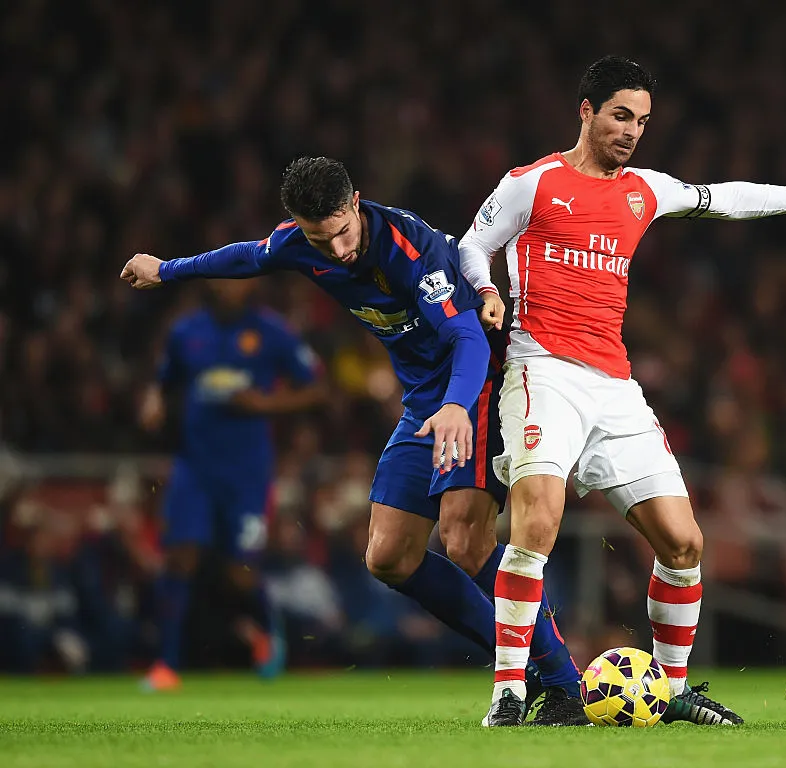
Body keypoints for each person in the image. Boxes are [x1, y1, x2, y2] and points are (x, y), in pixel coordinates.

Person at [459, 55, 786, 726]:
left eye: (643, 121)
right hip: (540, 370)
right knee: (537, 522)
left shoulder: (646, 190)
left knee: (685, 544)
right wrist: (486, 291)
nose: (632, 131)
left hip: (615, 385)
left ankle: (675, 688)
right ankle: (509, 694)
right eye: (621, 115)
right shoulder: (531, 184)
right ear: (587, 111)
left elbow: (730, 197)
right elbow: (469, 246)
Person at [120, 157, 586, 724]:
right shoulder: (300, 243)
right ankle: (527, 664)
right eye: (320, 238)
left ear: (357, 202)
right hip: (424, 404)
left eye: (342, 231)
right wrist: (167, 270)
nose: (337, 249)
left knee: (464, 542)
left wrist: (457, 407)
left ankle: (564, 683)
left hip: (477, 386)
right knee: (389, 557)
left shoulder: (410, 250)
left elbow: (467, 335)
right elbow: (247, 257)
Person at [138, 279, 327, 690]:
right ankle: (166, 664)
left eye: (236, 278)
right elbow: (165, 378)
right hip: (195, 466)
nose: (228, 286)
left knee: (239, 569)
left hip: (247, 472)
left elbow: (315, 388)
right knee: (179, 556)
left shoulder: (270, 331)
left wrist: (265, 404)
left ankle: (266, 632)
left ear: (250, 284)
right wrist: (154, 398)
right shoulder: (186, 331)